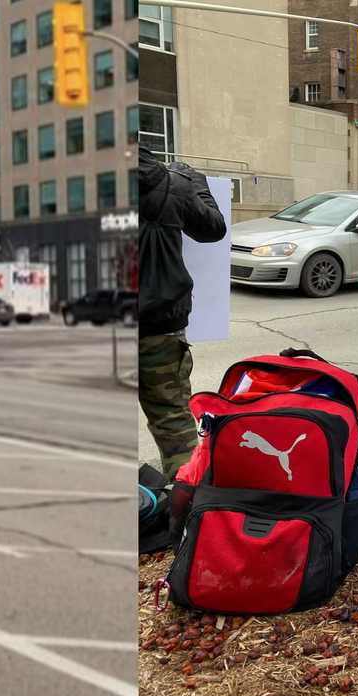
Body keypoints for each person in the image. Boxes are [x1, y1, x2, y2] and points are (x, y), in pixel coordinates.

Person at [138, 146, 227, 478]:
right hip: (160, 326)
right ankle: (185, 510)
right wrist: (194, 182)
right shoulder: (175, 183)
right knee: (174, 424)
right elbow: (212, 228)